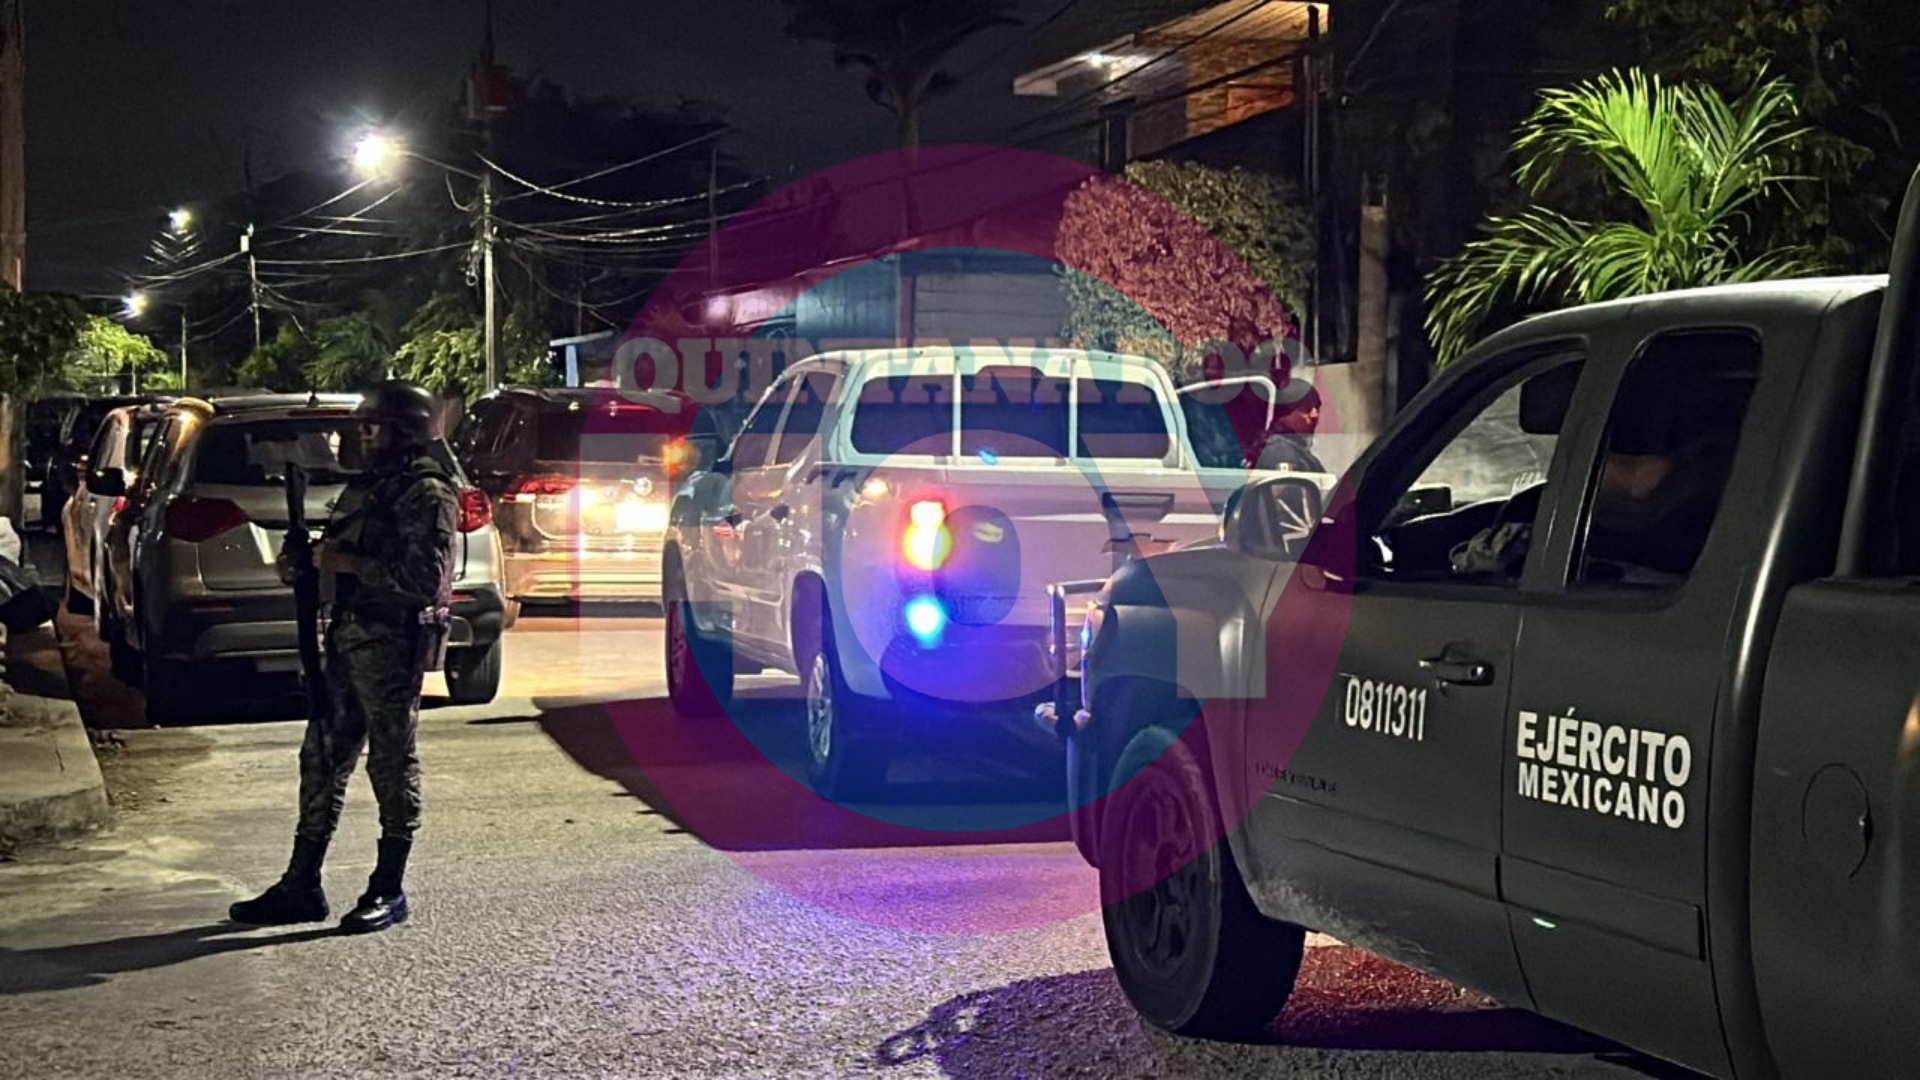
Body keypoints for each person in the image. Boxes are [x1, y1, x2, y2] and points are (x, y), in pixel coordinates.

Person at [229, 380, 459, 934]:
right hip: (347, 638)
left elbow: (424, 580)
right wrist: (304, 564)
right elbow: (339, 555)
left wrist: (348, 563)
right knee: (321, 758)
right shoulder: (367, 489)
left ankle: (388, 886)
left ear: (402, 433)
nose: (360, 437)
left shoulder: (426, 493)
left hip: (391, 643)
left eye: (372, 428)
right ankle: (301, 883)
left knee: (390, 763)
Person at [1255, 378, 1327, 474]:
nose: (1315, 415)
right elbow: (1288, 484)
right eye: (1305, 408)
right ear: (1283, 414)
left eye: (1317, 407)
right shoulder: (1280, 450)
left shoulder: (1295, 449)